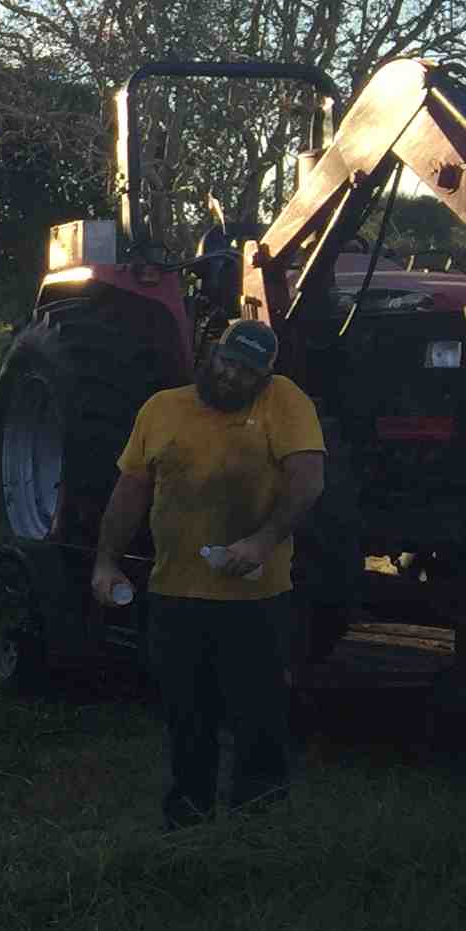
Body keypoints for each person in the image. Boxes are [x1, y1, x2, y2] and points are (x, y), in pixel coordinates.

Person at [90, 319, 327, 829]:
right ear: (210, 354)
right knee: (186, 718)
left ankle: (256, 828)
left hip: (256, 599)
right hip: (175, 595)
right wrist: (106, 560)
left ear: (265, 377)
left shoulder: (285, 403)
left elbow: (308, 481)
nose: (230, 377)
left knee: (259, 719)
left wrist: (264, 540)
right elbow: (130, 492)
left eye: (246, 372)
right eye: (225, 362)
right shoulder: (162, 409)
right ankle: (187, 827)